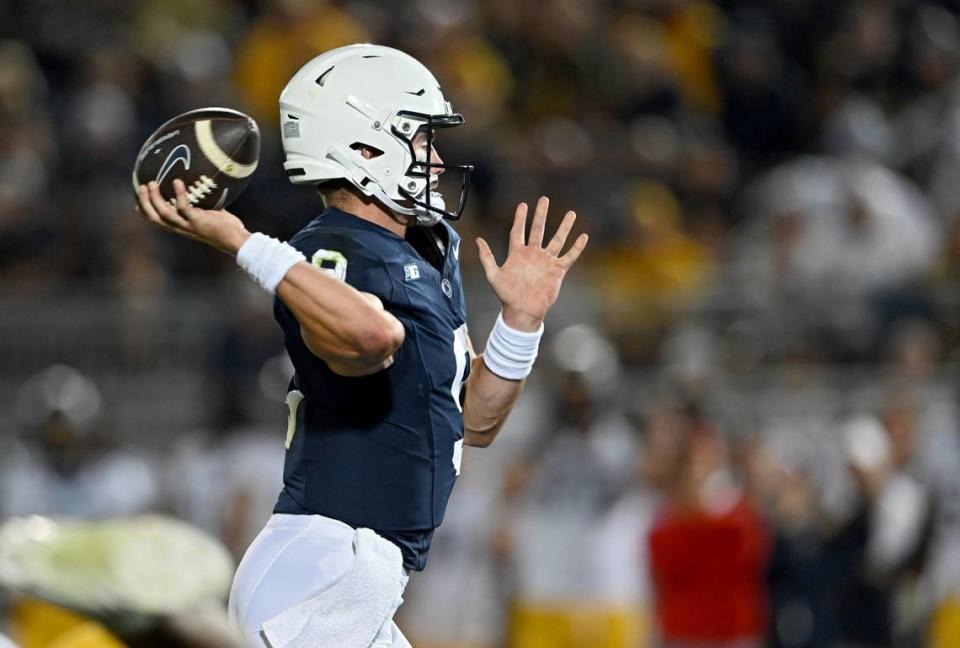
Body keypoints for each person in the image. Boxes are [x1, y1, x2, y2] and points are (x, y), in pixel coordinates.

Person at [135, 43, 588, 647]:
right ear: (365, 146)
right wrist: (246, 243)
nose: (434, 160)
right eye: (420, 140)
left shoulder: (428, 249)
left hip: (360, 576)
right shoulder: (331, 248)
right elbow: (372, 335)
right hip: (320, 566)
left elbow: (474, 422)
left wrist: (519, 324)